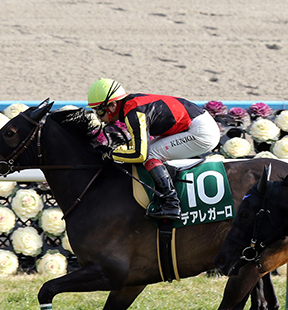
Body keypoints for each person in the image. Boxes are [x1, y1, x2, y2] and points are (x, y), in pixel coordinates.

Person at [86, 78, 220, 219]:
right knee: (148, 150)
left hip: (201, 132)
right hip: (196, 125)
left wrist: (110, 154)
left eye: (100, 111)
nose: (99, 117)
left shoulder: (134, 113)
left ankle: (171, 203)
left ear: (113, 105)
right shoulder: (131, 105)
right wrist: (116, 151)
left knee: (150, 154)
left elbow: (140, 154)